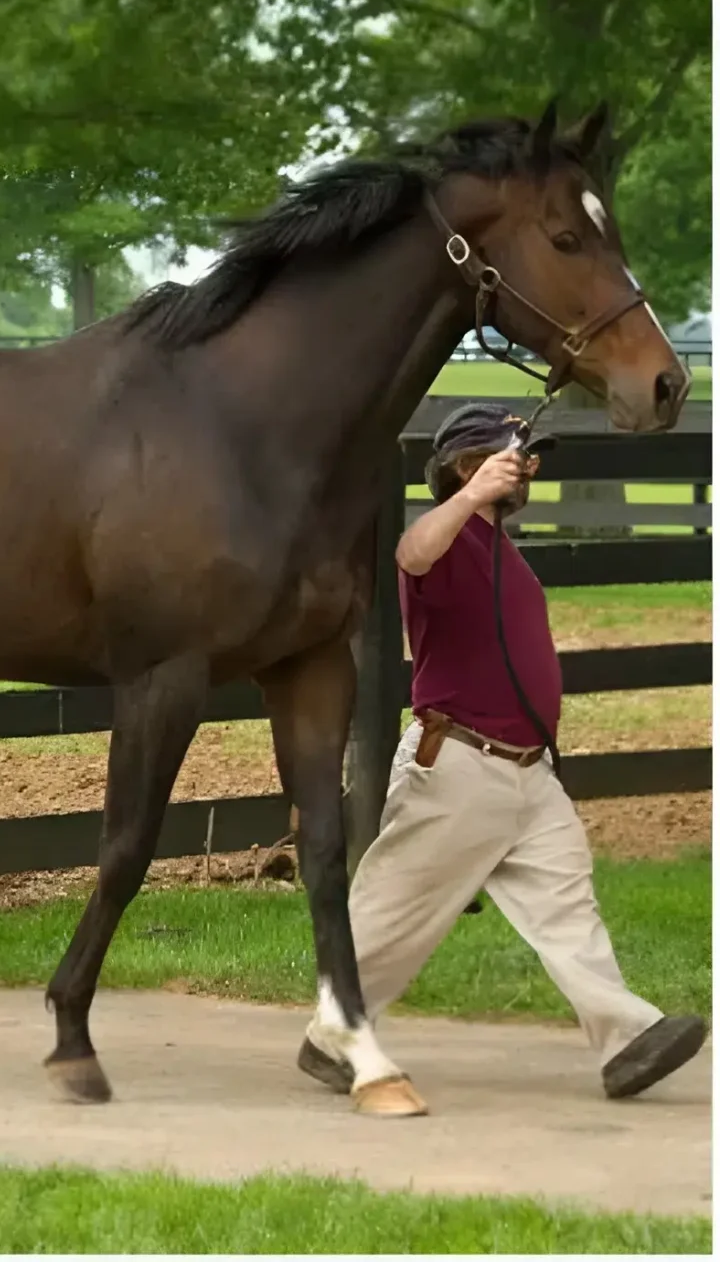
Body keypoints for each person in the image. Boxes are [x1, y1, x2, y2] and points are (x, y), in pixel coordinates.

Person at [298, 403, 707, 1105]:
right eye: (515, 454)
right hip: (459, 763)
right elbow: (410, 551)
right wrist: (473, 494)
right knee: (396, 908)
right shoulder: (447, 543)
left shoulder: (502, 552)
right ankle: (334, 1031)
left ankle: (625, 1040)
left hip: (527, 771)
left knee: (568, 904)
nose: (529, 467)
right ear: (468, 465)